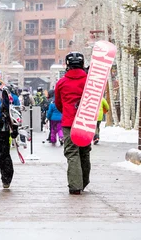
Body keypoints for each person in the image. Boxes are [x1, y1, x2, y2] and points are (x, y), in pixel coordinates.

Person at [54, 52, 89, 195]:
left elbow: (58, 103)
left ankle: (75, 185)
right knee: (85, 152)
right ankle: (84, 182)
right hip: (86, 122)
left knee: (72, 153)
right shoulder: (89, 80)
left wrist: (67, 112)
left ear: (67, 65)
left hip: (69, 122)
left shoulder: (61, 82)